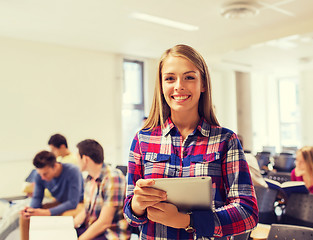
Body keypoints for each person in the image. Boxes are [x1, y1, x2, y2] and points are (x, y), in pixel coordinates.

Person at [124, 44, 258, 239]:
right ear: (161, 86)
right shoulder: (142, 139)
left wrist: (188, 221)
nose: (179, 85)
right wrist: (137, 205)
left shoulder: (226, 140)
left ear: (203, 84)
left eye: (189, 77)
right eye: (170, 78)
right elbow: (131, 217)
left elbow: (248, 214)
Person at [19, 150, 84, 240]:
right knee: (25, 218)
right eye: (40, 174)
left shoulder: (73, 171)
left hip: (78, 204)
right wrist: (31, 211)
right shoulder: (40, 176)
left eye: (45, 174)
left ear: (55, 166)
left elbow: (73, 202)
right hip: (60, 202)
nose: (42, 177)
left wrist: (46, 213)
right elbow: (37, 198)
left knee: (64, 217)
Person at [74, 139, 127, 240]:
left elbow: (104, 222)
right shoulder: (89, 178)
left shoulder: (113, 178)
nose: (77, 162)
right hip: (94, 228)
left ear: (85, 159)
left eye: (78, 158)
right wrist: (69, 226)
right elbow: (86, 211)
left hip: (110, 234)